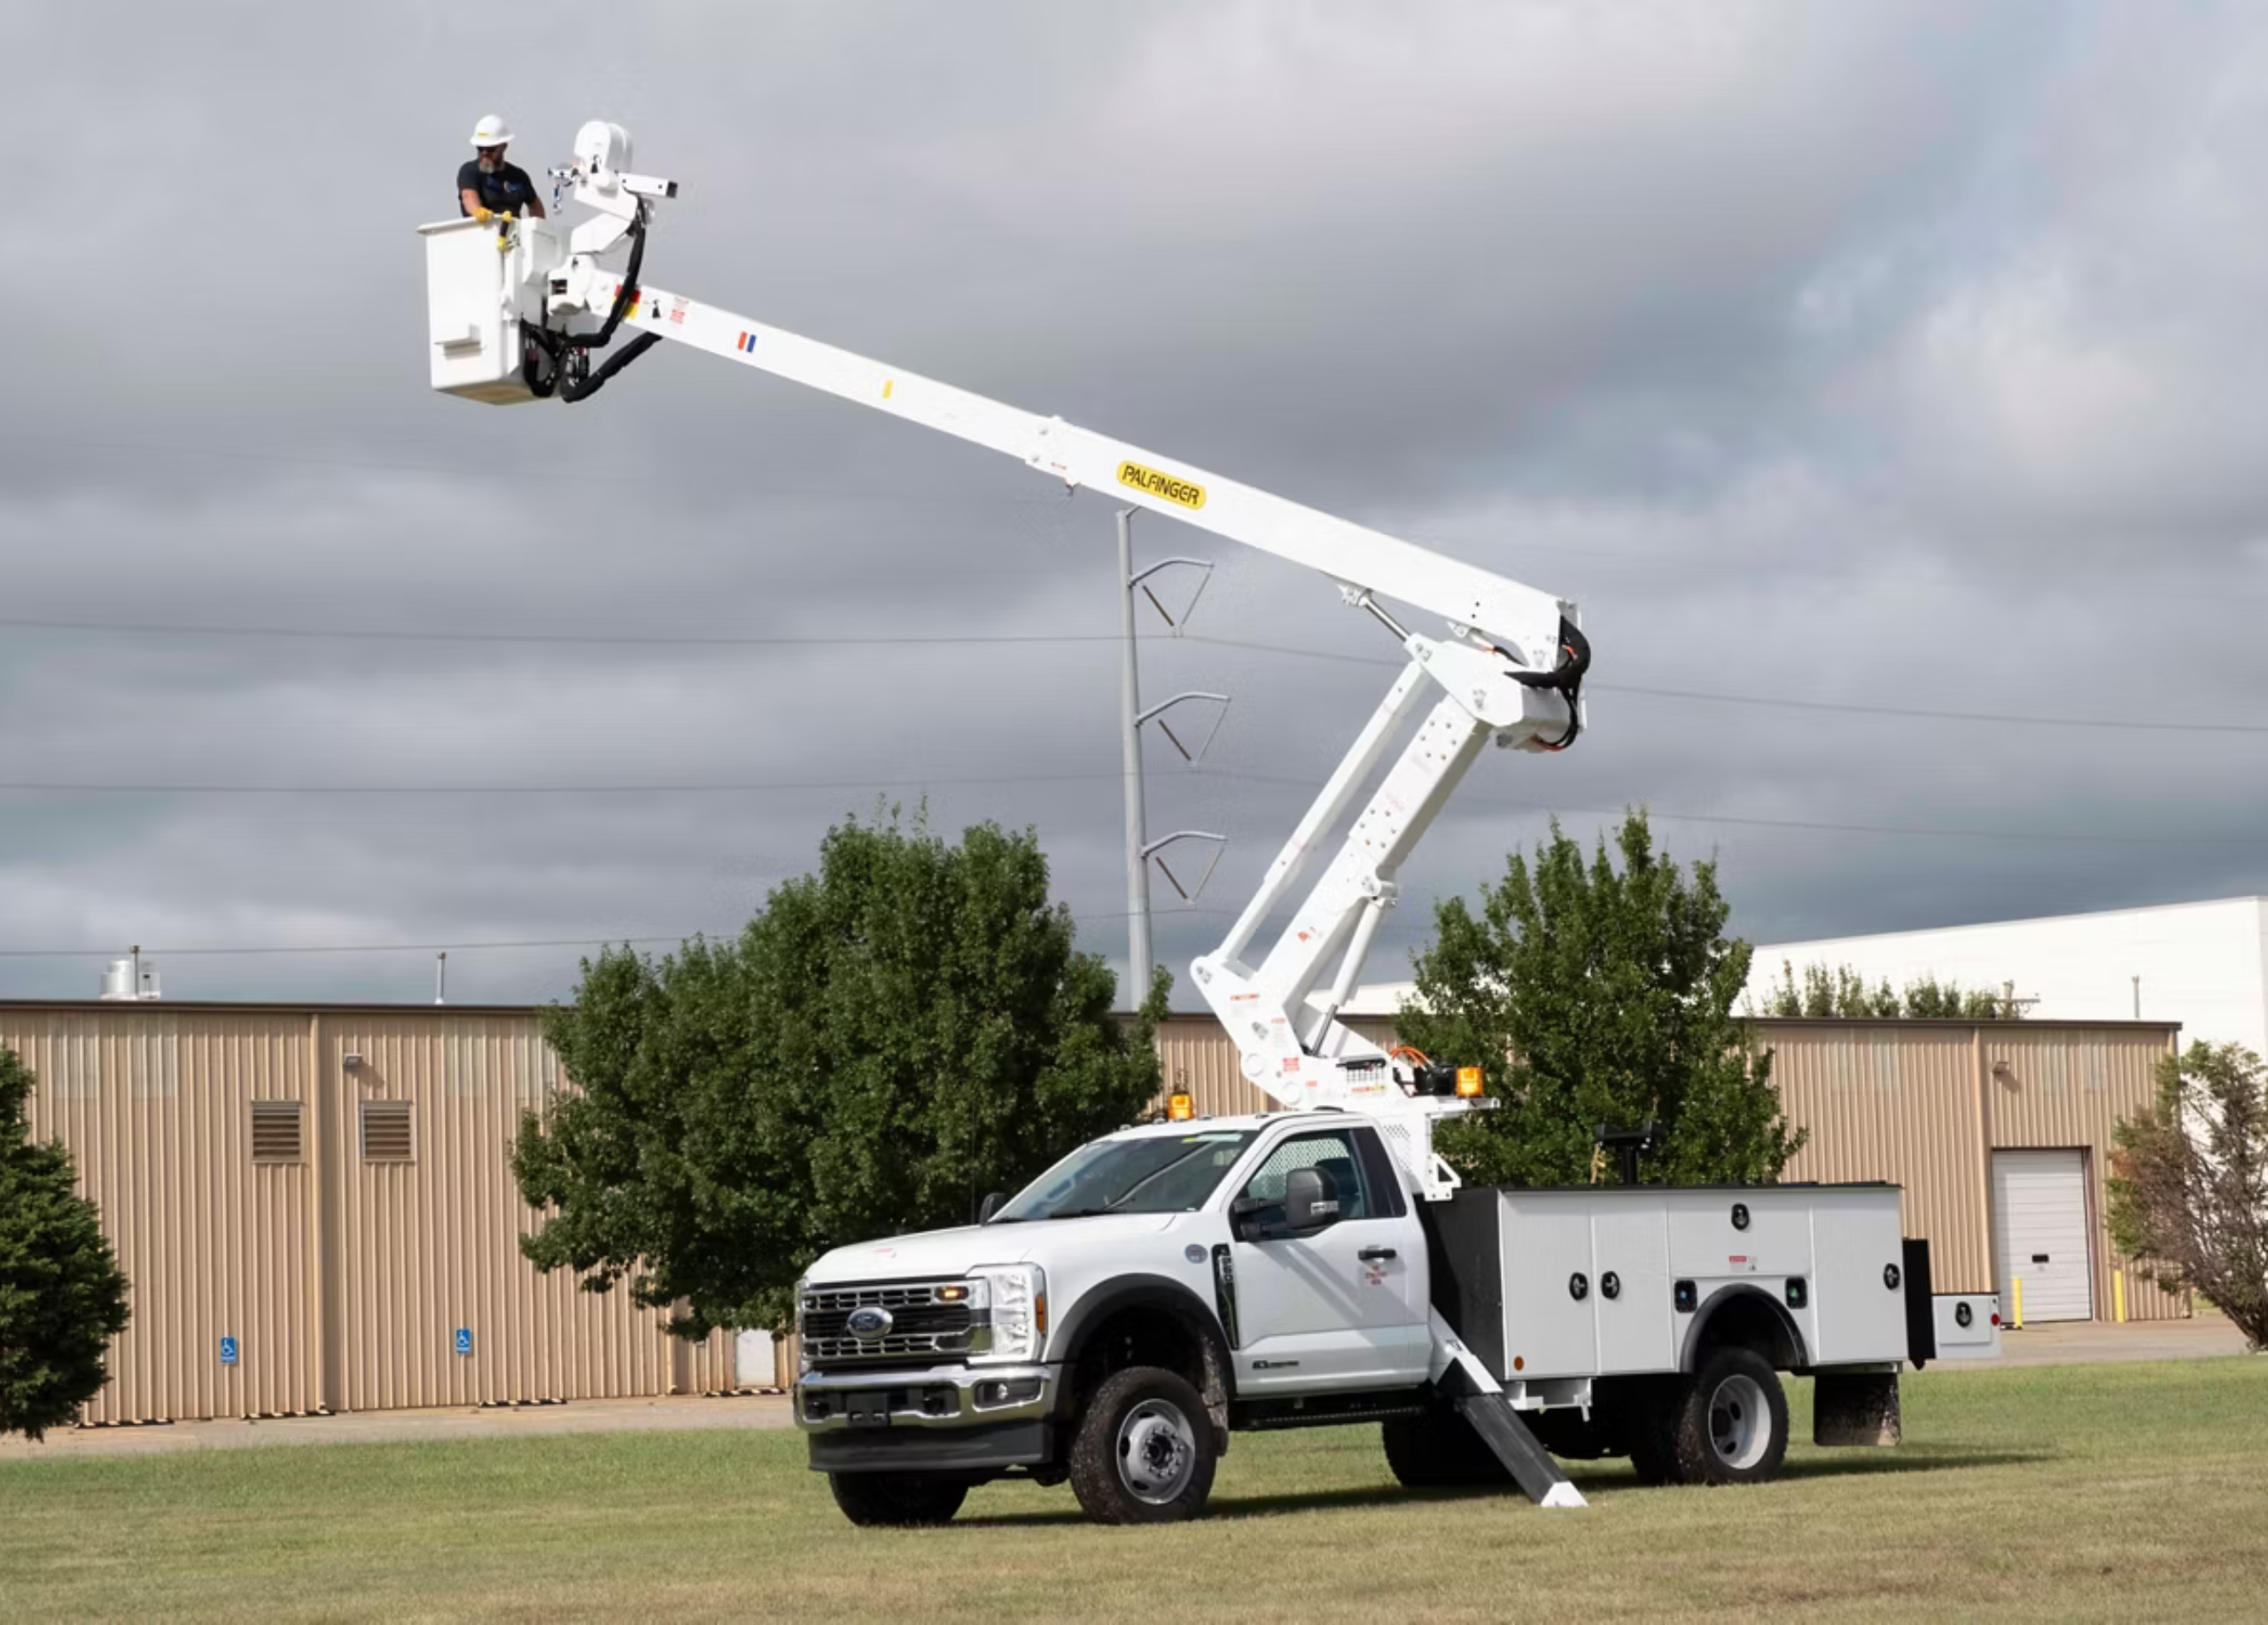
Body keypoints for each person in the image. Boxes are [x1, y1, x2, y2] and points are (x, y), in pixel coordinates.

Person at [457, 115, 545, 222]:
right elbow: (468, 196)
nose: (485, 153)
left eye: (490, 149)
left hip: (513, 235)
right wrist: (477, 211)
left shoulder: (519, 177)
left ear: (503, 147)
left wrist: (540, 229)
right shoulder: (470, 171)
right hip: (482, 232)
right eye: (480, 148)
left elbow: (535, 206)